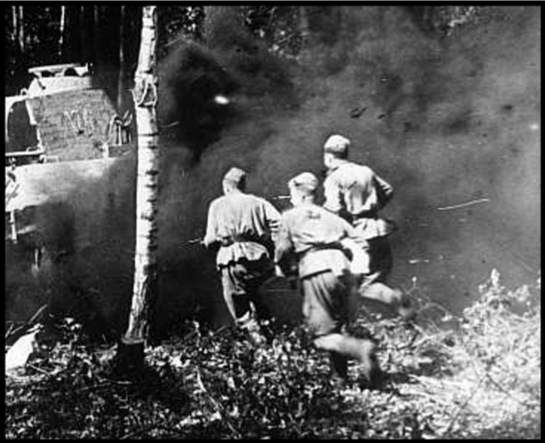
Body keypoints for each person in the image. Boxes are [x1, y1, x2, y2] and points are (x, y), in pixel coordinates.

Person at [275, 172, 380, 385]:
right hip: (342, 269)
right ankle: (340, 379)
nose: (291, 198)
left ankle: (360, 348)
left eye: (291, 194)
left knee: (320, 336)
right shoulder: (332, 217)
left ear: (301, 194)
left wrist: (289, 272)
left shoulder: (289, 217)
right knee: (335, 328)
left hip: (315, 269)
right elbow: (362, 242)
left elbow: (283, 250)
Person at [322, 134, 415, 320]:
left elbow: (333, 209)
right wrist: (370, 208)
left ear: (329, 157)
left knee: (356, 286)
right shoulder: (365, 171)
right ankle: (404, 313)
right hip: (377, 230)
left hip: (358, 235)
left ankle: (397, 304)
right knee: (374, 281)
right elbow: (387, 190)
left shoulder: (334, 178)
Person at [203, 167, 281, 344]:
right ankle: (272, 338)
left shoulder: (218, 205)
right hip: (259, 258)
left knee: (239, 306)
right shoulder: (259, 203)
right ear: (243, 186)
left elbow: (210, 240)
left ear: (226, 187)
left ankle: (259, 344)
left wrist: (213, 241)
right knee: (257, 296)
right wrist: (275, 242)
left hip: (232, 259)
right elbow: (279, 223)